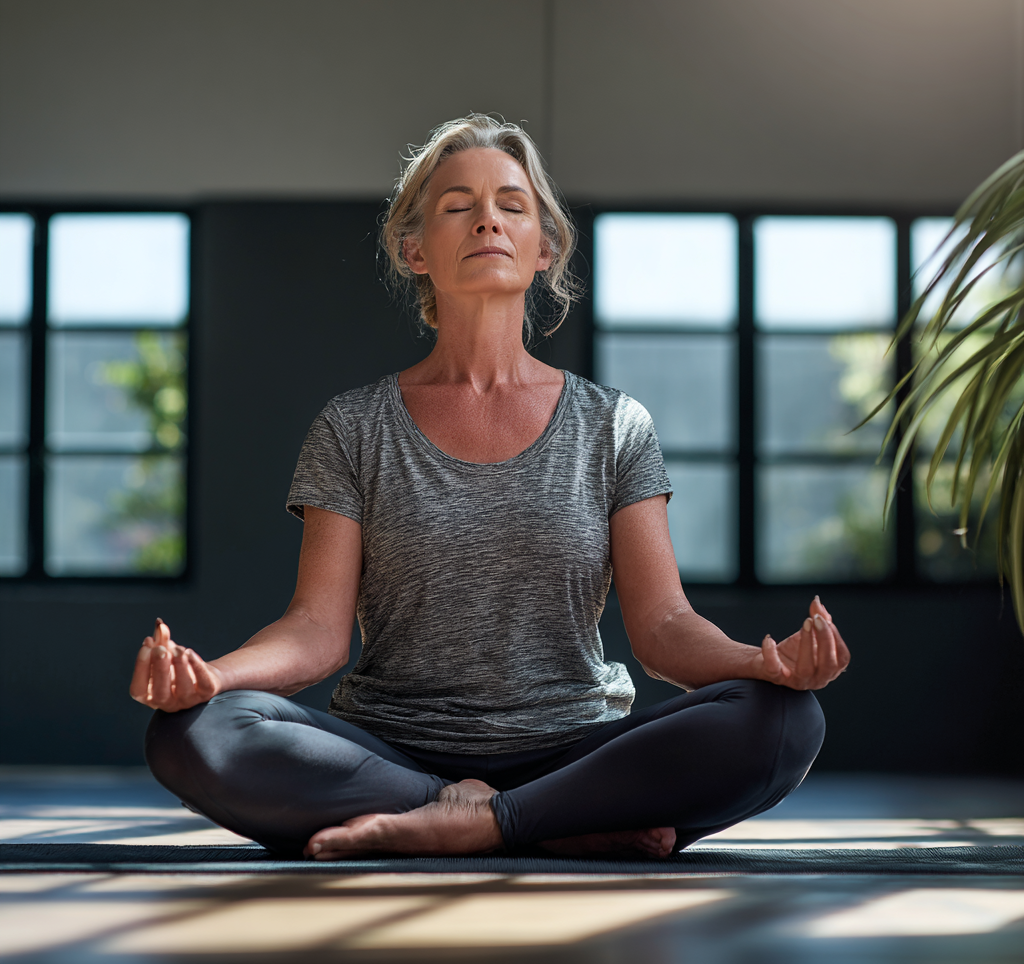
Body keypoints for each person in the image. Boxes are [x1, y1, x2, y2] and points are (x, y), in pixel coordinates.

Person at [133, 114, 848, 861]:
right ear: (415, 250)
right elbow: (315, 632)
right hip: (392, 756)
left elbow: (665, 630)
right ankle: (543, 823)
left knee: (786, 720)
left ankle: (485, 821)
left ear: (544, 249)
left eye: (512, 205)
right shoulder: (353, 425)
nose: (487, 221)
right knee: (195, 731)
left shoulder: (613, 424)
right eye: (457, 206)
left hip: (575, 750)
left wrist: (760, 664)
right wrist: (208, 678)